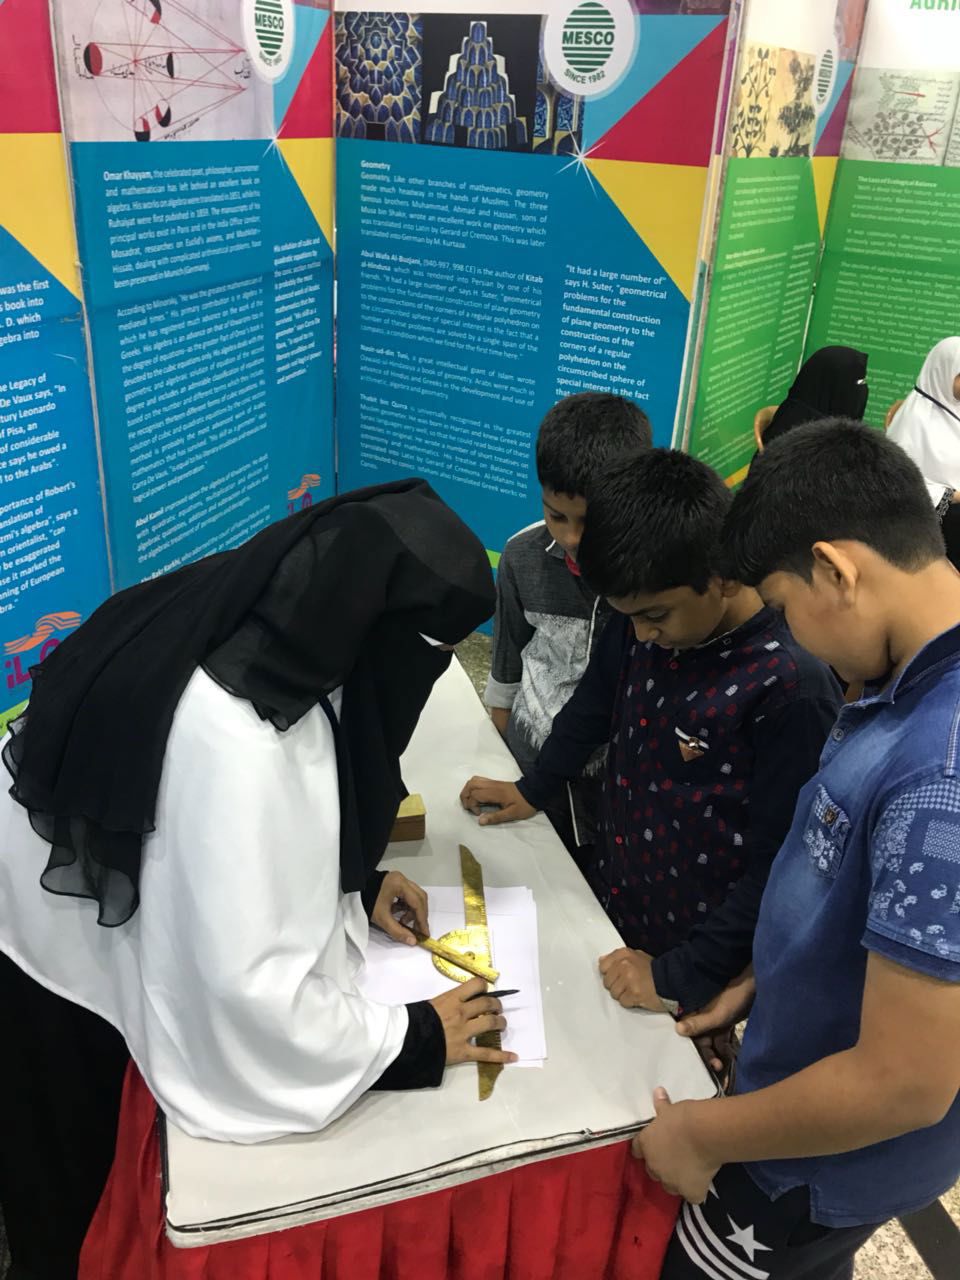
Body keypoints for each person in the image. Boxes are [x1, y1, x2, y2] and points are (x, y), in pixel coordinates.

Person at [0, 479, 514, 1280]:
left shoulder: (266, 617)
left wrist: (356, 880)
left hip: (70, 883)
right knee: (67, 1187)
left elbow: (245, 839)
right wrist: (408, 1040)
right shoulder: (240, 738)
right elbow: (243, 993)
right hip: (51, 960)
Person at [638, 420, 960, 1280]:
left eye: (784, 608)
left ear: (837, 569)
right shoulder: (906, 680)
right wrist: (754, 984)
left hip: (812, 1163)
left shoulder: (940, 776)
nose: (793, 637)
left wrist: (700, 1133)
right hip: (803, 1092)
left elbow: (904, 1082)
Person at [462, 450, 840, 1017]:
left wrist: (682, 975)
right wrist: (534, 788)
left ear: (725, 575)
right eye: (629, 617)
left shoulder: (789, 686)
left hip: (699, 946)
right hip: (618, 892)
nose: (642, 636)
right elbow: (592, 705)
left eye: (657, 617)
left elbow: (782, 863)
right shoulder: (642, 614)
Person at [485, 391, 652, 860]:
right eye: (556, 515)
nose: (572, 538)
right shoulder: (521, 557)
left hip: (617, 786)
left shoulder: (654, 580)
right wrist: (498, 749)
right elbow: (507, 662)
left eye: (591, 520)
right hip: (529, 756)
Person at [761, 346, 868, 448]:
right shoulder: (796, 435)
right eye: (859, 382)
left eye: (864, 381)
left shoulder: (832, 428)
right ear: (833, 384)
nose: (864, 389)